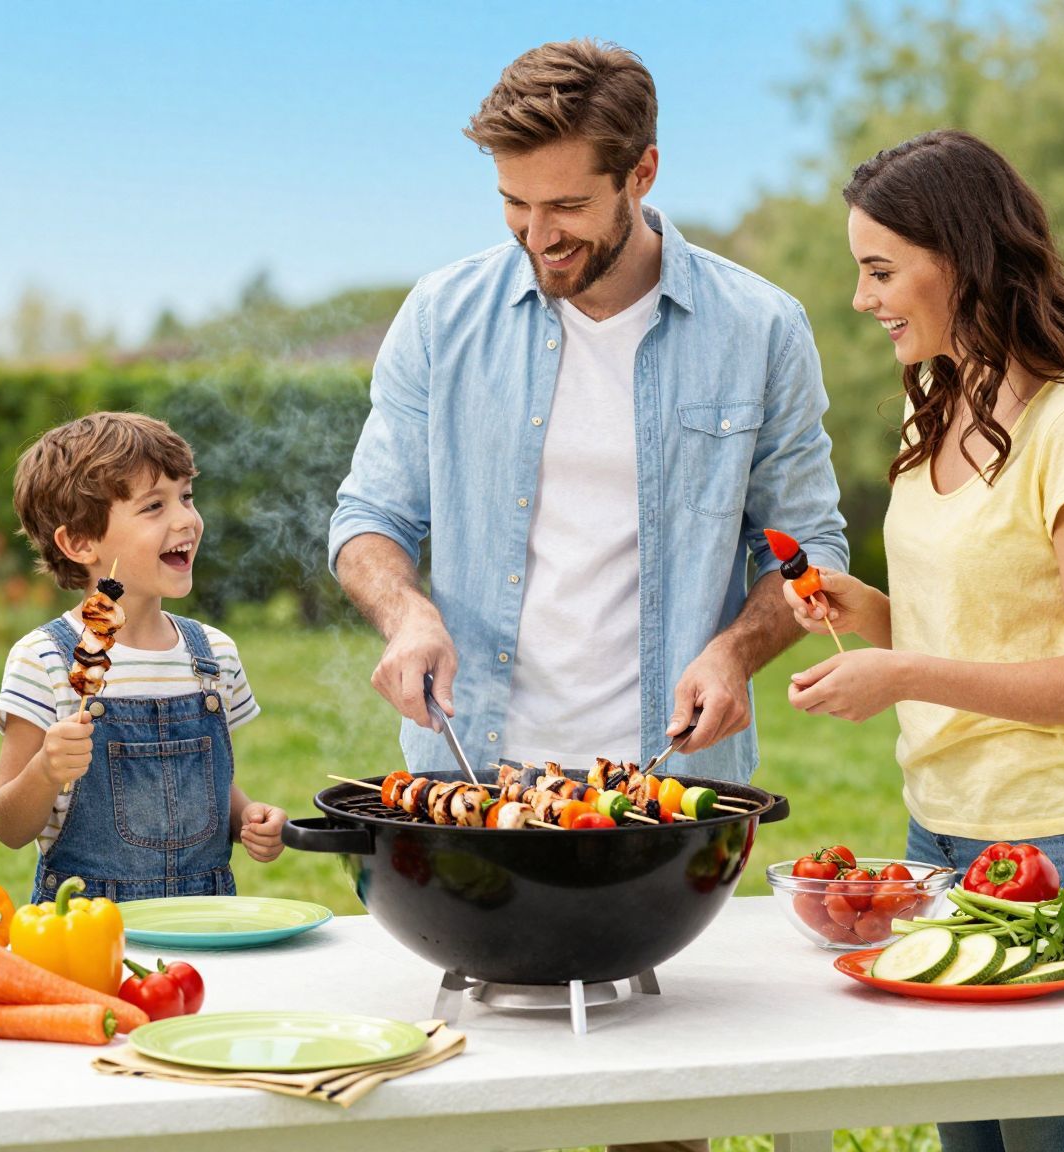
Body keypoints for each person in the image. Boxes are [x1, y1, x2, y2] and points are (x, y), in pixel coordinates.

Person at [784, 129, 1064, 1152]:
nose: (863, 300)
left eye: (879, 271)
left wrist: (901, 670)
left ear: (957, 260)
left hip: (1050, 839)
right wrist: (851, 604)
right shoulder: (939, 411)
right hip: (937, 833)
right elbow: (960, 625)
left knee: (1045, 1140)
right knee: (969, 1142)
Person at [330, 37, 846, 788]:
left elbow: (806, 544)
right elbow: (369, 517)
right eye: (515, 203)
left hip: (670, 775)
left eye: (567, 206)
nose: (537, 237)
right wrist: (405, 613)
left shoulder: (760, 329)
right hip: (470, 769)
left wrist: (735, 653)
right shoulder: (442, 316)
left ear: (642, 173)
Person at [0, 411, 285, 904]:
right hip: (86, 923)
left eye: (186, 496)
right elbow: (8, 827)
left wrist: (246, 817)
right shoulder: (44, 660)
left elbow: (205, 785)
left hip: (205, 916)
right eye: (154, 506)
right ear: (80, 543)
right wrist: (45, 770)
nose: (186, 519)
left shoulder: (213, 657)